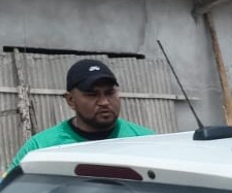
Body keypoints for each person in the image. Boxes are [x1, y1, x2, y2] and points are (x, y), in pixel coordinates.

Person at [7, 59, 153, 173]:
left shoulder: (146, 142)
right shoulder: (41, 148)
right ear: (71, 100)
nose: (104, 102)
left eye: (110, 93)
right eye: (92, 95)